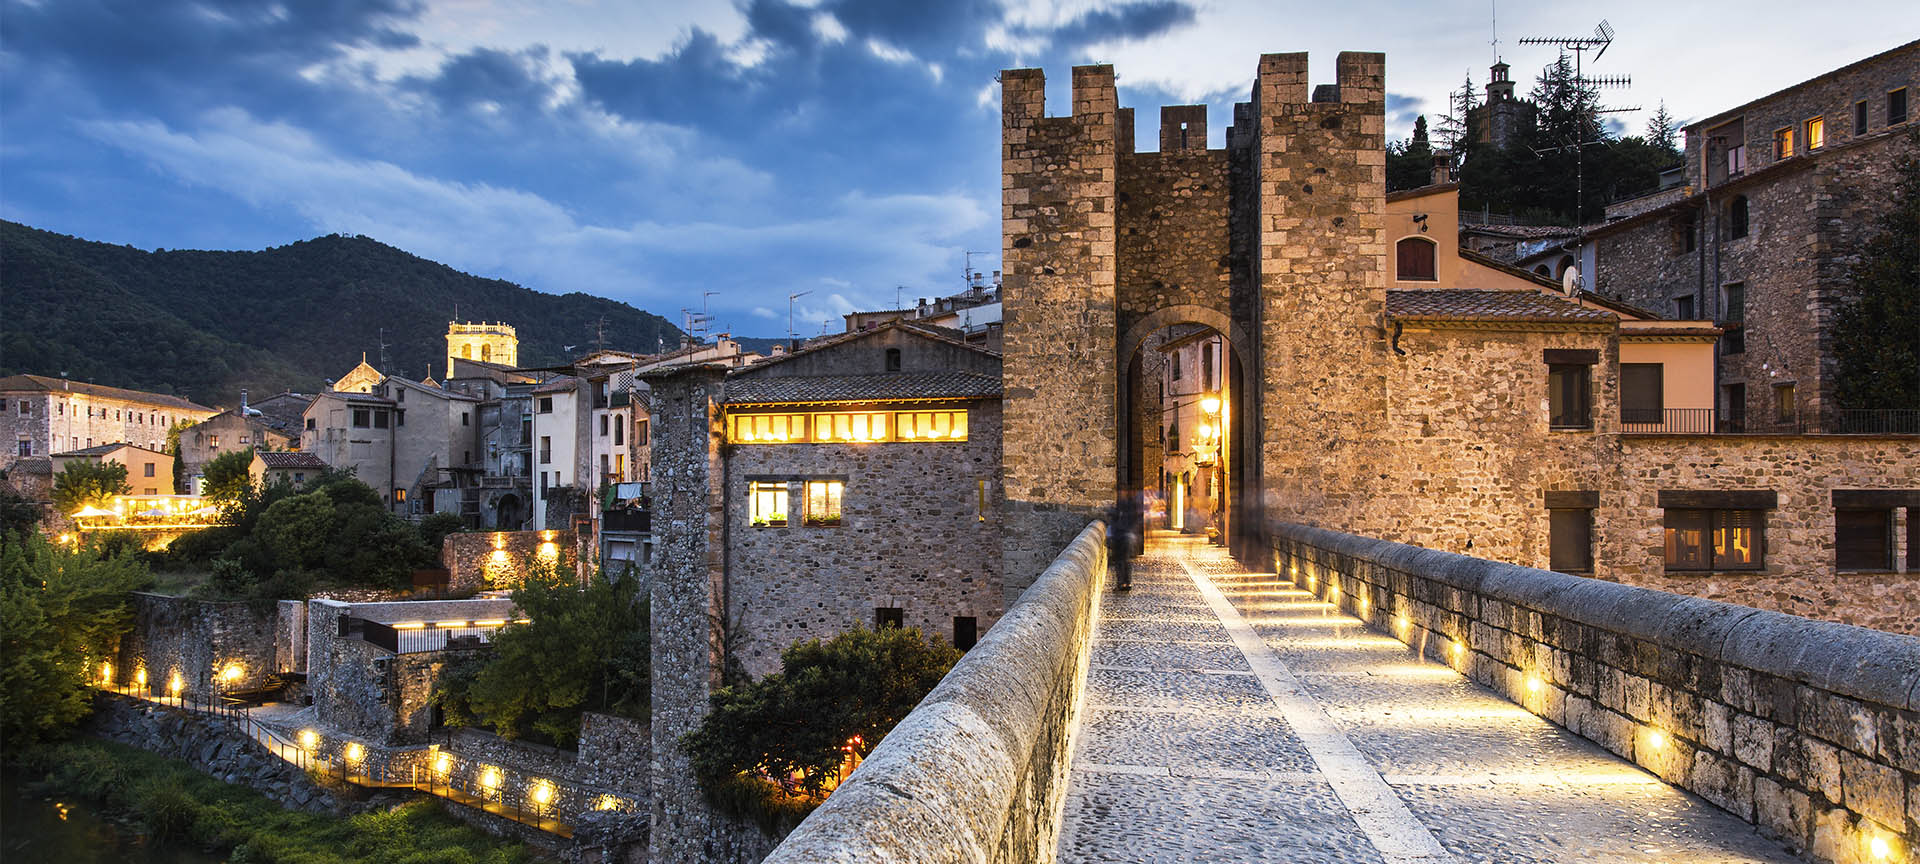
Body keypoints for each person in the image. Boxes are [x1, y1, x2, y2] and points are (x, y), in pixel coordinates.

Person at [1109, 490, 1143, 591]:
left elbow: (1114, 518)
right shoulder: (1131, 506)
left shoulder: (1122, 506)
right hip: (1127, 536)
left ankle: (1121, 582)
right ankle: (1126, 582)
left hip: (1122, 536)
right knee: (1126, 560)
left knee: (1120, 560)